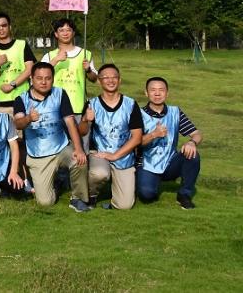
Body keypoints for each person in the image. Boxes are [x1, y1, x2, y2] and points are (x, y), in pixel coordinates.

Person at [13, 62, 90, 212]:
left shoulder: (60, 94)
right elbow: (18, 124)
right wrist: (29, 118)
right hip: (38, 154)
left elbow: (70, 123)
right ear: (31, 79)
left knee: (79, 159)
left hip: (61, 148)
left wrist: (79, 149)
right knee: (45, 203)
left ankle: (78, 198)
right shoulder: (21, 99)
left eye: (48, 78)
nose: (43, 82)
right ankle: (57, 183)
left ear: (53, 79)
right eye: (39, 78)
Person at [80, 64, 142, 210]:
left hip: (124, 155)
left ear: (119, 80)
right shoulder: (91, 104)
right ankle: (91, 194)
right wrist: (85, 120)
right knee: (99, 174)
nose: (110, 80)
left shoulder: (130, 104)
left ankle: (113, 199)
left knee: (125, 205)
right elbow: (82, 132)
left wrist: (115, 155)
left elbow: (137, 137)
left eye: (114, 77)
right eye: (105, 77)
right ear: (99, 81)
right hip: (99, 153)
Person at [137, 76, 202, 209]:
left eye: (161, 90)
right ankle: (146, 183)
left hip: (170, 162)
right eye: (153, 90)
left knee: (193, 154)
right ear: (146, 93)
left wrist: (192, 142)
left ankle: (184, 195)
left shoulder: (175, 112)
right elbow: (134, 143)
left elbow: (197, 134)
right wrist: (154, 134)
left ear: (167, 93)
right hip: (146, 164)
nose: (157, 93)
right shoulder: (138, 114)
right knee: (147, 195)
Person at [41, 18, 97, 148]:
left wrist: (88, 69)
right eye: (61, 30)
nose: (65, 33)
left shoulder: (85, 54)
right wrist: (56, 60)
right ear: (56, 34)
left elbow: (94, 78)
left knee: (81, 147)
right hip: (55, 108)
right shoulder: (50, 56)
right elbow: (39, 75)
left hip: (78, 107)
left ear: (73, 33)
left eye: (68, 30)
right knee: (57, 148)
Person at [0, 13, 36, 114]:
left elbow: (30, 69)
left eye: (4, 25)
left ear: (10, 26)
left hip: (23, 100)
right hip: (0, 102)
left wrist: (12, 85)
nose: (1, 29)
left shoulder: (22, 45)